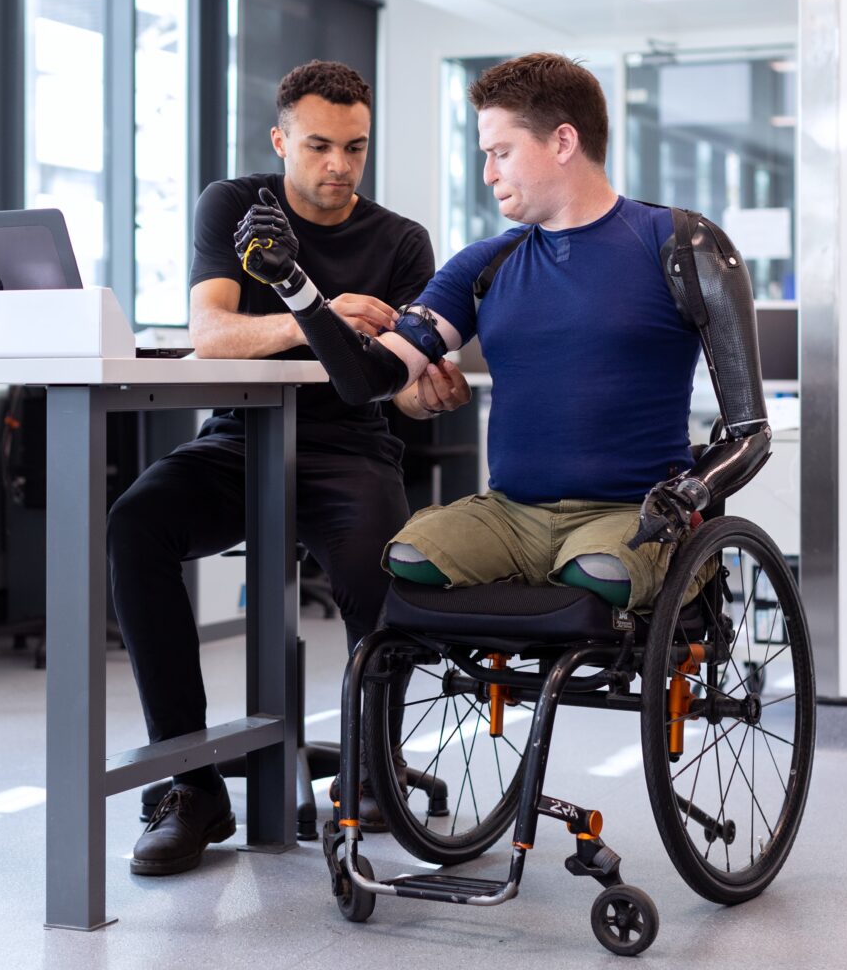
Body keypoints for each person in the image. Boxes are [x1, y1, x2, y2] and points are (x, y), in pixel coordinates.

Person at [236, 52, 771, 616]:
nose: (488, 173)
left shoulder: (684, 248)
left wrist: (693, 493)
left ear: (562, 142)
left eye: (500, 153)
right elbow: (369, 378)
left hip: (627, 514)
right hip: (509, 516)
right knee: (408, 557)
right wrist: (295, 288)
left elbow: (750, 432)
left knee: (598, 573)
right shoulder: (483, 267)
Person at [107, 59, 470, 877]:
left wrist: (428, 398)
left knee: (384, 569)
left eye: (354, 147)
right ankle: (192, 785)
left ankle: (373, 766)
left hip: (351, 446)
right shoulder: (236, 207)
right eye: (317, 146)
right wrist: (317, 313)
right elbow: (212, 333)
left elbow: (403, 393)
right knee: (137, 524)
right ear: (281, 140)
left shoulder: (403, 241)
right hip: (240, 437)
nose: (337, 165)